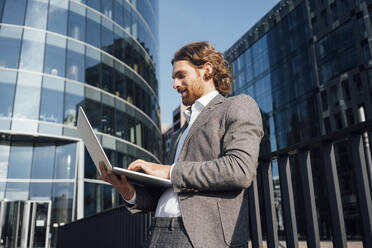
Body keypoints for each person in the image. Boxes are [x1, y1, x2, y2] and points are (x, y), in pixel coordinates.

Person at [99, 41, 263, 248]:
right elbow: (172, 189)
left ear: (207, 69)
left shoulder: (237, 105)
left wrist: (169, 171)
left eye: (181, 75)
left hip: (199, 236)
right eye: (174, 78)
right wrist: (128, 191)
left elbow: (240, 169)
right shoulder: (180, 133)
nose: (175, 85)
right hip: (157, 231)